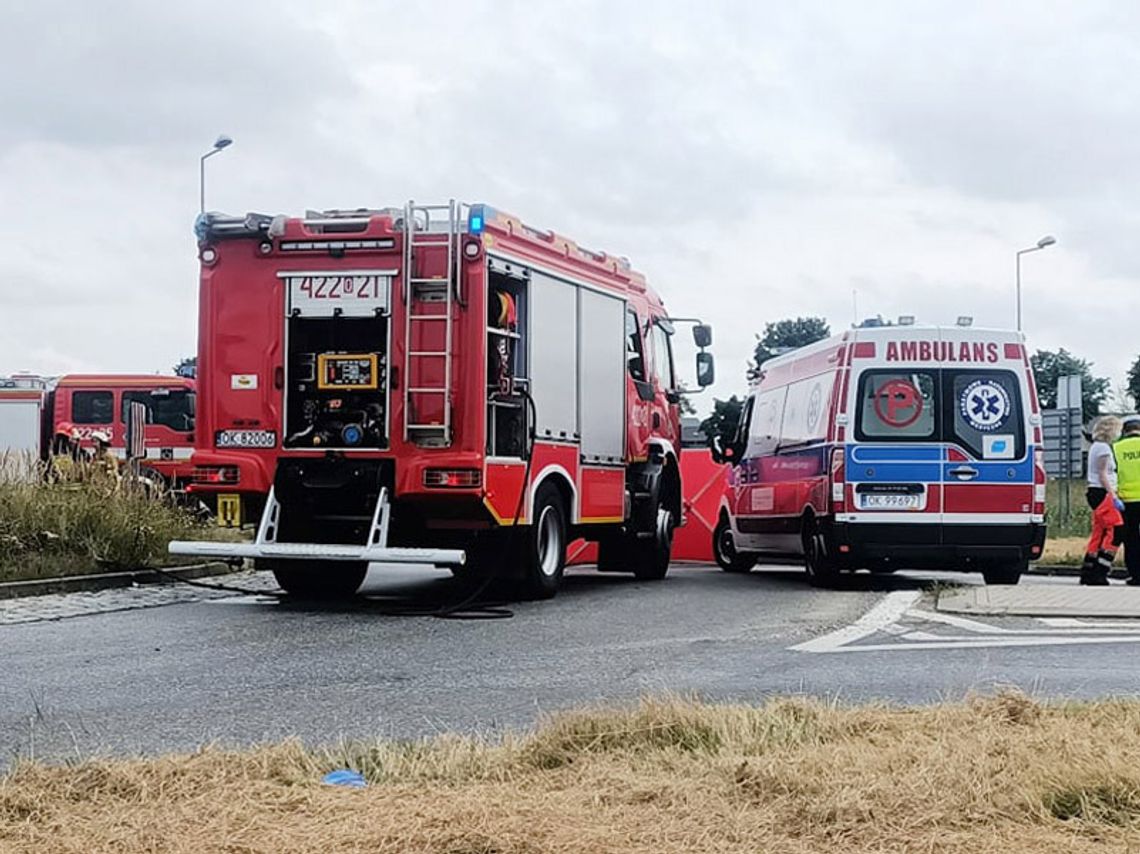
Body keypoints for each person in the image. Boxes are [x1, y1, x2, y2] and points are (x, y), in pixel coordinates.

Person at [1081, 416, 1123, 585]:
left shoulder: (1095, 447)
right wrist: (1113, 495)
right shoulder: (1104, 449)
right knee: (1116, 531)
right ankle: (1100, 570)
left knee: (1099, 532)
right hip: (1103, 493)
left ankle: (1088, 570)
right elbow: (1103, 474)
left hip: (1095, 492)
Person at [1114, 416, 1140, 585]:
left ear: (1124, 431)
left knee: (1131, 540)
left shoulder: (1116, 448)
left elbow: (1112, 473)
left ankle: (1136, 576)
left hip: (1126, 501)